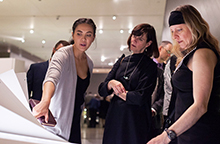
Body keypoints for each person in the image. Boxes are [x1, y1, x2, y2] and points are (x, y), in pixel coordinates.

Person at [147, 5, 220, 144]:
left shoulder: (202, 53)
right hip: (185, 131)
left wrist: (165, 137)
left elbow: (200, 106)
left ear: (193, 26)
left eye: (179, 29)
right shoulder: (189, 54)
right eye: (172, 31)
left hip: (200, 133)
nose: (174, 36)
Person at [32, 18, 96, 144]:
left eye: (88, 35)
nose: (83, 39)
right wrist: (45, 100)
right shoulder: (62, 54)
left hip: (75, 120)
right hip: (57, 120)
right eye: (79, 33)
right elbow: (51, 77)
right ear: (72, 35)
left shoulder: (89, 63)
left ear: (93, 38)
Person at [98, 23, 159, 144]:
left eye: (140, 38)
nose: (134, 39)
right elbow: (102, 90)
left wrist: (117, 92)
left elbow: (140, 97)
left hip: (135, 122)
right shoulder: (122, 61)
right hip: (115, 118)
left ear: (148, 44)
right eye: (134, 35)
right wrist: (111, 83)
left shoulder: (150, 66)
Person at [151, 41, 172, 139]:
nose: (169, 54)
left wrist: (154, 108)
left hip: (156, 116)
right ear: (160, 49)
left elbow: (165, 93)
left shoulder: (166, 69)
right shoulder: (147, 66)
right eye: (168, 51)